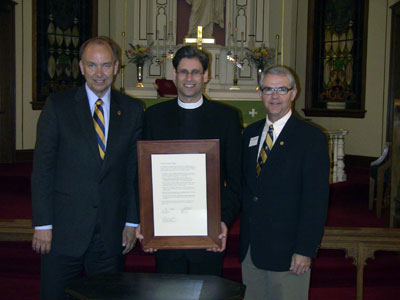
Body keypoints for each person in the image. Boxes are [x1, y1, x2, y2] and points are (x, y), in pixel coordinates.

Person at [31, 36, 143, 300]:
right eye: (92, 65)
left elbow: (133, 171)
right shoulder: (58, 106)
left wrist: (131, 220)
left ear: (116, 67)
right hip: (63, 231)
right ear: (81, 67)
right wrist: (43, 224)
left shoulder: (132, 110)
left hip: (110, 232)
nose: (99, 73)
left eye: (106, 65)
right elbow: (43, 169)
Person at [137, 45, 241, 276]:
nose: (189, 78)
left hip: (207, 232)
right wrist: (146, 222)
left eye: (195, 72)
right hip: (166, 232)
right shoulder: (154, 117)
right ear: (174, 75)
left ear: (206, 75)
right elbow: (143, 176)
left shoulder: (226, 118)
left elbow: (236, 180)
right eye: (183, 72)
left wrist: (222, 220)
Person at [240, 66, 330, 300]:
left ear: (293, 93)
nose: (275, 96)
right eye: (268, 89)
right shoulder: (250, 133)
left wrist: (305, 249)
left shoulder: (311, 138)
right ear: (260, 93)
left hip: (289, 253)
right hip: (252, 251)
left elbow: (316, 199)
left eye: (282, 89)